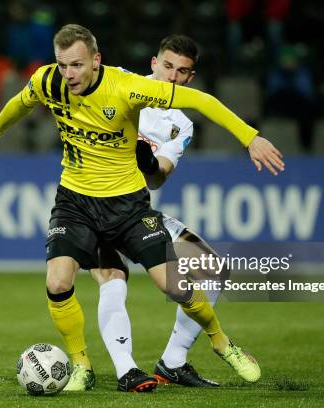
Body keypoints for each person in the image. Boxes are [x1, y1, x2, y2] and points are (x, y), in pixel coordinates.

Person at [0, 24, 284, 393]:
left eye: (182, 72)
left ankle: (214, 344)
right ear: (154, 62)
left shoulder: (153, 103)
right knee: (76, 281)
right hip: (77, 202)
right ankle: (98, 367)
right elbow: (21, 101)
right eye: (63, 65)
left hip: (130, 205)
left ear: (95, 62)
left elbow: (189, 125)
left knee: (194, 277)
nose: (68, 74)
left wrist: (250, 137)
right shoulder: (57, 81)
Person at [90, 34, 261, 391]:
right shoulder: (119, 80)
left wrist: (148, 162)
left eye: (181, 71)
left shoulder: (182, 124)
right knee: (113, 278)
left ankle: (173, 362)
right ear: (153, 63)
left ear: (190, 78)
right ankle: (126, 371)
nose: (171, 77)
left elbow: (157, 178)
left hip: (136, 209)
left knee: (211, 269)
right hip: (91, 203)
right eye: (167, 66)